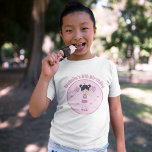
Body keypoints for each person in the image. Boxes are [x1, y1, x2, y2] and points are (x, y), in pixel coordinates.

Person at [29, 1, 126, 152]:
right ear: (61, 35)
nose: (77, 36)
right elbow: (35, 111)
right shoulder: (56, 68)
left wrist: (121, 146)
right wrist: (45, 76)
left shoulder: (108, 67)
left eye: (84, 28)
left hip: (98, 148)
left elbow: (115, 109)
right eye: (69, 30)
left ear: (94, 31)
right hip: (60, 147)